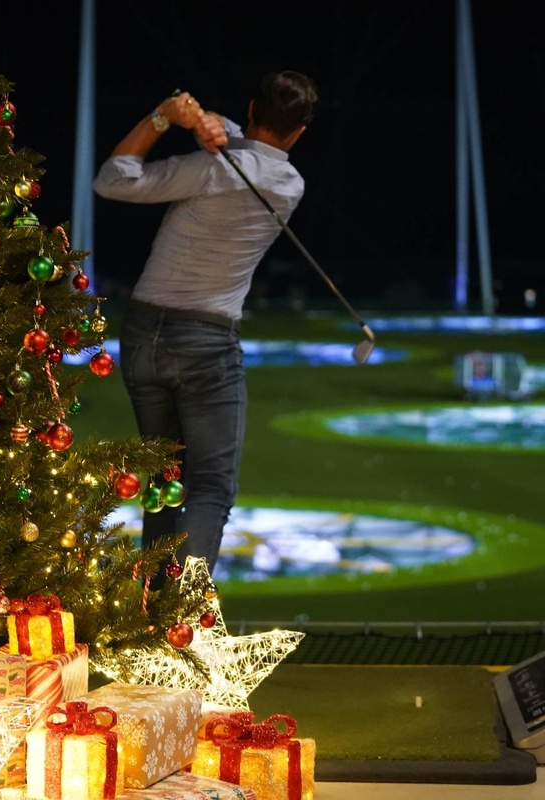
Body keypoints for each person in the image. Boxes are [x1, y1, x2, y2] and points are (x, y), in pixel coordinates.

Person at [92, 71, 319, 582]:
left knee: (165, 479)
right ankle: (182, 621)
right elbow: (246, 143)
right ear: (300, 131)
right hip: (207, 342)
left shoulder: (209, 169)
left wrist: (163, 118)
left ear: (252, 108)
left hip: (143, 332)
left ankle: (152, 617)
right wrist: (208, 124)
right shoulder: (290, 184)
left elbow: (114, 178)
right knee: (209, 486)